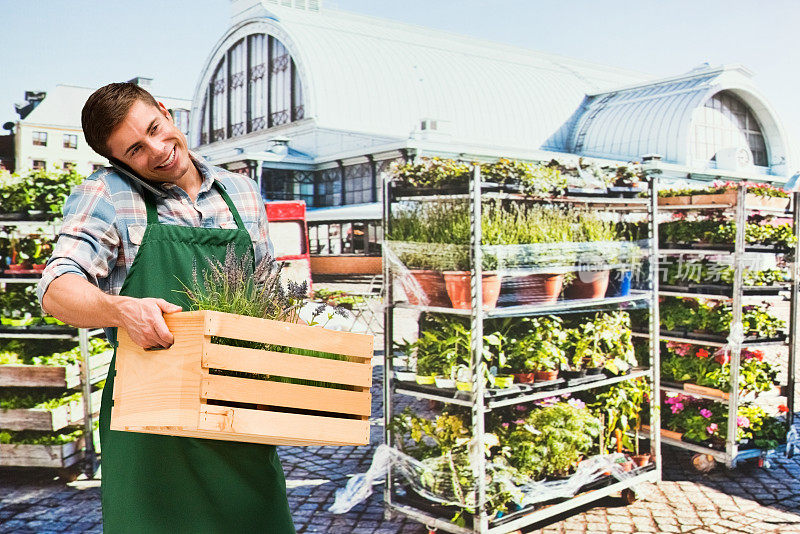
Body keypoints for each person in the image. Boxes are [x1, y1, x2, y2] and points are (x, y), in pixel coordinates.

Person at [37, 82, 296, 533]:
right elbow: (57, 289)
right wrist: (121, 311)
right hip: (151, 429)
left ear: (164, 110)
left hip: (236, 415)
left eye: (156, 129)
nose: (159, 150)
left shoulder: (243, 193)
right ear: (117, 160)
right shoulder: (108, 195)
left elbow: (269, 296)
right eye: (136, 149)